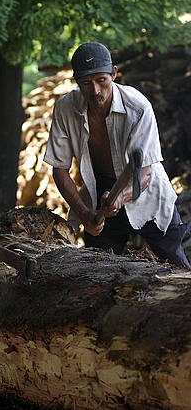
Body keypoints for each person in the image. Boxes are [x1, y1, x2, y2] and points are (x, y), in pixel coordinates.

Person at [44, 42, 191, 270]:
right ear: (76, 83)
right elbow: (59, 170)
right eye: (86, 83)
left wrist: (120, 198)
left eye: (101, 80)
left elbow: (144, 172)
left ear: (114, 73)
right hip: (99, 192)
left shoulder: (138, 108)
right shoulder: (65, 109)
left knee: (176, 267)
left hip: (147, 189)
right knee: (97, 273)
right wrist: (84, 214)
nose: (95, 90)